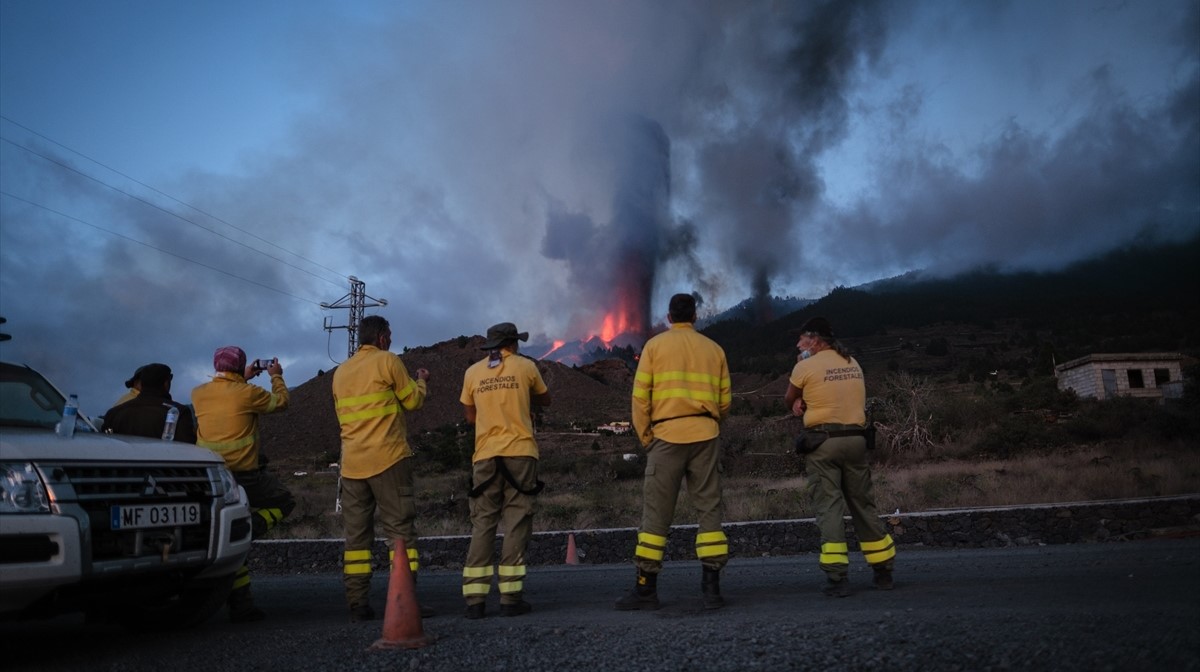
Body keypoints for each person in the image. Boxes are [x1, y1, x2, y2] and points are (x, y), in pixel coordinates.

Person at [616, 293, 732, 611]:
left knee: (656, 514)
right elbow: (724, 402)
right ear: (695, 316)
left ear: (669, 318)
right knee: (709, 508)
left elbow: (640, 400)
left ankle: (645, 589)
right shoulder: (715, 349)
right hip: (706, 435)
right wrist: (710, 425)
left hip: (665, 437)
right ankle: (711, 589)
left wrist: (647, 439)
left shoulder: (654, 347)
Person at [784, 316, 896, 597]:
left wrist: (799, 397)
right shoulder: (853, 363)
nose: (798, 344)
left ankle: (837, 577)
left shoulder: (805, 366)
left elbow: (789, 399)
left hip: (824, 444)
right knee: (863, 505)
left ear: (816, 341)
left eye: (802, 339)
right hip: (857, 441)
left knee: (829, 507)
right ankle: (883, 570)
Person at [331, 315, 431, 622]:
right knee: (400, 534)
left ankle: (357, 603)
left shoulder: (340, 372)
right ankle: (404, 600)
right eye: (389, 334)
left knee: (357, 539)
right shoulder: (388, 361)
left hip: (351, 466)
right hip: (388, 459)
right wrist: (422, 380)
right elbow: (413, 402)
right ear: (382, 338)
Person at [192, 346, 295, 622]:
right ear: (240, 369)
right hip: (243, 476)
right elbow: (282, 402)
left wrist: (243, 377)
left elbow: (228, 394)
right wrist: (276, 376)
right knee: (285, 500)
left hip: (210, 478)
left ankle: (242, 605)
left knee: (230, 541)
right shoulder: (249, 394)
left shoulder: (198, 394)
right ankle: (248, 530)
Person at [459, 322, 551, 620]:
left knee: (483, 523)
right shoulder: (526, 367)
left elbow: (470, 417)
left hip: (485, 456)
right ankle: (510, 598)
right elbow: (545, 399)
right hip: (520, 453)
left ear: (492, 346)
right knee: (516, 521)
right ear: (514, 343)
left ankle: (475, 599)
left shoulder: (472, 373)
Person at [102, 363, 196, 443]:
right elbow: (188, 451)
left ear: (141, 384)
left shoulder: (113, 413)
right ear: (166, 383)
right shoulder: (180, 413)